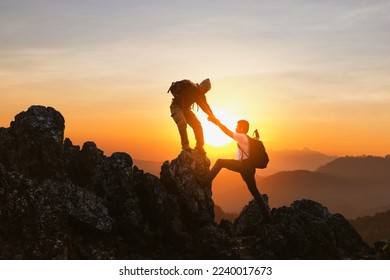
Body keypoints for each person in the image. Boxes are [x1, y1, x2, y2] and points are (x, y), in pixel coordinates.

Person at [205, 119, 272, 223]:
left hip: (244, 166)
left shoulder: (242, 137)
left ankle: (205, 181)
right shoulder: (246, 138)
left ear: (242, 128)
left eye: (237, 126)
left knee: (220, 162)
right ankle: (267, 217)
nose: (235, 127)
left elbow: (227, 132)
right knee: (255, 192)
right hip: (248, 168)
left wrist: (216, 122)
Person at [169, 78, 216, 154]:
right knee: (182, 123)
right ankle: (185, 146)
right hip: (176, 107)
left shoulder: (202, 94)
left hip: (186, 109)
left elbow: (206, 105)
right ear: (200, 87)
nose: (205, 92)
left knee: (197, 125)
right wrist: (211, 116)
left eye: (207, 91)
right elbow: (202, 105)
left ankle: (199, 146)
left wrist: (213, 115)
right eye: (204, 90)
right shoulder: (193, 90)